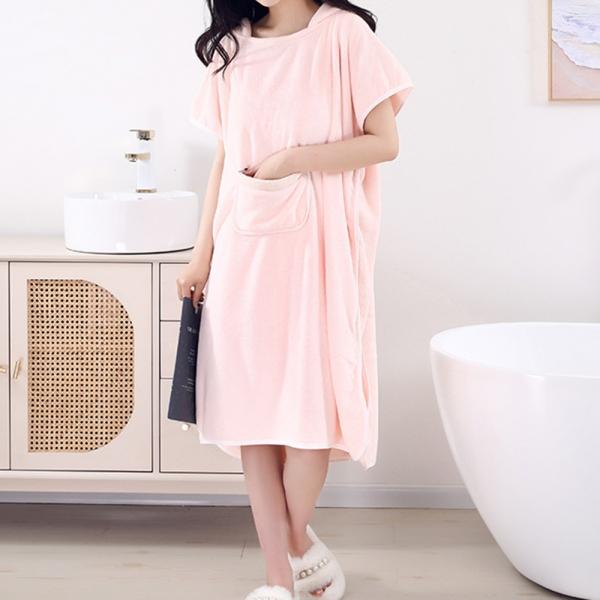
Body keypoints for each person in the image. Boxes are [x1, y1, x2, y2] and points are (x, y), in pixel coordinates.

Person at [177, 1, 414, 598]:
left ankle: (298, 545)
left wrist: (291, 160)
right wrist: (202, 253)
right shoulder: (233, 45)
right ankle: (279, 579)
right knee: (250, 411)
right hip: (241, 248)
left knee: (309, 412)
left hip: (318, 252)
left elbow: (384, 142)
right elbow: (225, 158)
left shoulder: (342, 34)